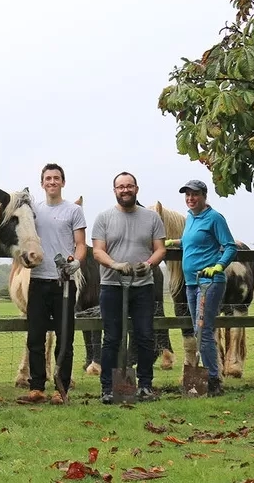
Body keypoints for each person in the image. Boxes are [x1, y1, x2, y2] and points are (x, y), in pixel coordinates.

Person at [91, 172, 166, 404]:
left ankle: (145, 385)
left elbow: (160, 249)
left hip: (143, 286)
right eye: (120, 187)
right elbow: (98, 251)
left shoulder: (152, 218)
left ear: (136, 189)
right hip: (112, 285)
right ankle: (108, 388)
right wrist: (115, 264)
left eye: (129, 186)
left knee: (144, 336)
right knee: (112, 338)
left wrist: (149, 264)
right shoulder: (104, 218)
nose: (125, 190)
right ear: (114, 190)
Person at [16, 164, 86, 406]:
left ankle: (61, 387)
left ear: (63, 182)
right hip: (37, 280)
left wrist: (76, 262)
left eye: (56, 178)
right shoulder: (34, 211)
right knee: (35, 336)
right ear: (42, 183)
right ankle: (37, 387)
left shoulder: (73, 211)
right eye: (48, 178)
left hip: (63, 282)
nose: (52, 182)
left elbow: (80, 244)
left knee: (64, 337)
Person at [168, 179, 237, 397]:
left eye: (194, 194)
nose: (190, 198)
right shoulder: (190, 218)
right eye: (187, 195)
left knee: (203, 331)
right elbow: (193, 242)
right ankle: (208, 376)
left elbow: (230, 246)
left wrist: (218, 266)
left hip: (209, 282)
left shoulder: (214, 218)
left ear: (204, 196)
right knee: (198, 329)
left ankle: (214, 380)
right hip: (190, 283)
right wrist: (173, 243)